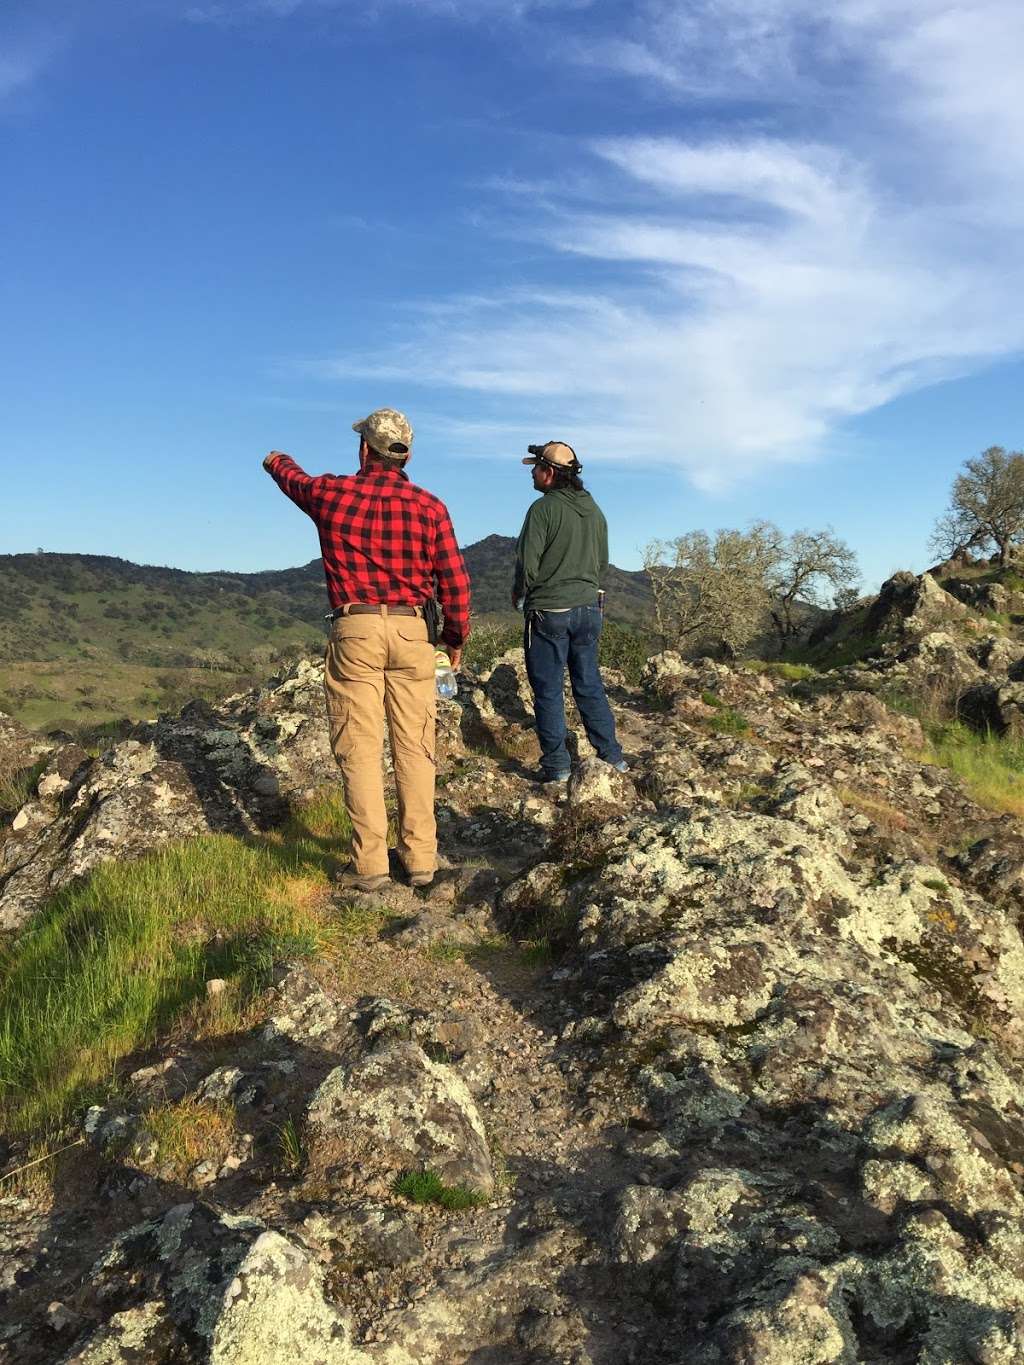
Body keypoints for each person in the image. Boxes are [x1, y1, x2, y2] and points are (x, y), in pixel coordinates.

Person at [264, 408, 470, 892]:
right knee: (416, 746)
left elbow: (292, 479)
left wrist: (275, 458)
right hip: (412, 630)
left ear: (364, 450)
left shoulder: (333, 495)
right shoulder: (430, 507)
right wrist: (453, 639)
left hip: (354, 629)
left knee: (358, 748)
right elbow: (456, 583)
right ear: (406, 455)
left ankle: (370, 865)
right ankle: (421, 859)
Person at [512, 440, 626, 785]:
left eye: (536, 467)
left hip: (550, 610)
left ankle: (558, 767)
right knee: (589, 683)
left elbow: (527, 565)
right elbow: (602, 561)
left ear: (549, 473)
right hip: (589, 608)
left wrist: (519, 593)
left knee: (548, 690)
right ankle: (612, 758)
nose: (531, 472)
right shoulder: (594, 510)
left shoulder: (542, 509)